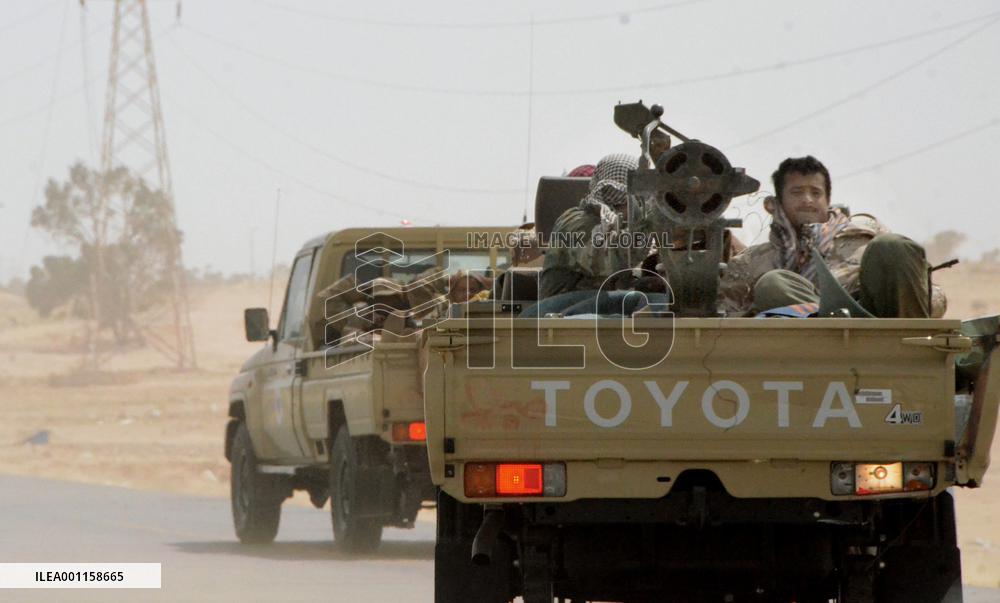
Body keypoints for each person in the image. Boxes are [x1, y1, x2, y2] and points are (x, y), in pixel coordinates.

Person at [719, 155, 945, 318]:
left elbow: (932, 296)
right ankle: (832, 323)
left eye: (816, 193)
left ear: (828, 201)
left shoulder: (864, 234)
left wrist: (919, 303)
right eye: (797, 192)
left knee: (892, 246)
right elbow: (728, 319)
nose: (807, 200)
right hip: (816, 351)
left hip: (887, 337)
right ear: (774, 204)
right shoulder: (751, 262)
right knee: (774, 283)